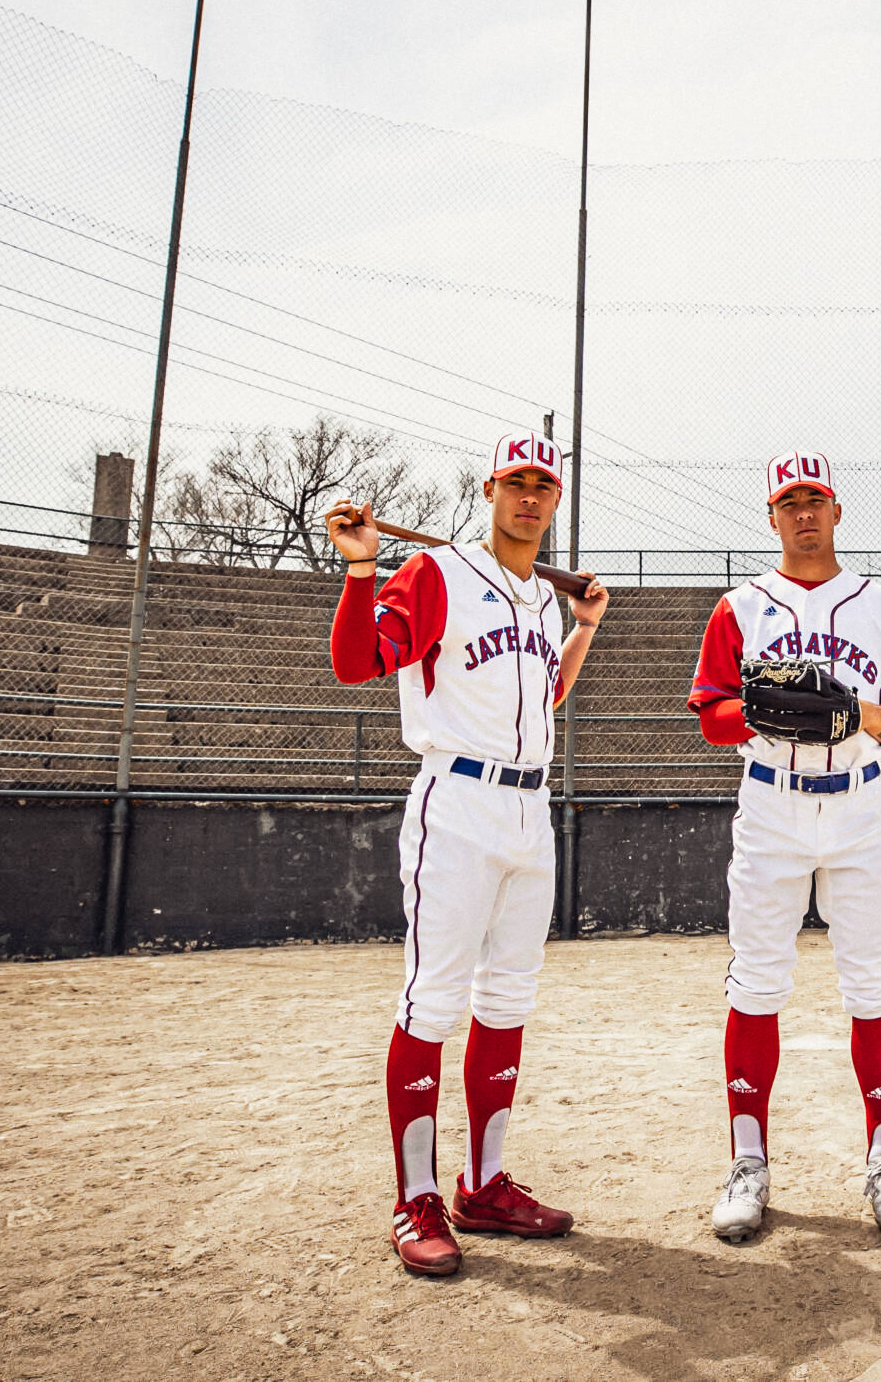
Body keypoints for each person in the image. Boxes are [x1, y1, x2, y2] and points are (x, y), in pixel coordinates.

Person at [323, 431, 609, 1278]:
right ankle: (415, 1202)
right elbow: (353, 663)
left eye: (543, 485)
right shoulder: (436, 573)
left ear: (556, 499)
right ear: (489, 489)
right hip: (457, 804)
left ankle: (483, 1184)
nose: (529, 495)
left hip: (530, 805)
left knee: (509, 998)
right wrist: (360, 567)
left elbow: (539, 698)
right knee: (434, 1000)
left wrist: (582, 627)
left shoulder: (540, 600)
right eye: (515, 481)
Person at [684, 452, 881, 1243]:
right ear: (772, 517)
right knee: (756, 979)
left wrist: (850, 711)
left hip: (860, 804)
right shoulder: (739, 605)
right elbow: (710, 718)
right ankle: (747, 1161)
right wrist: (767, 713)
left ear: (836, 512)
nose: (803, 513)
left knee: (872, 981)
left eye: (816, 500)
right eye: (788, 501)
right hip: (769, 803)